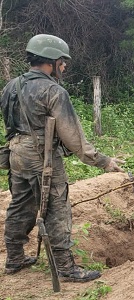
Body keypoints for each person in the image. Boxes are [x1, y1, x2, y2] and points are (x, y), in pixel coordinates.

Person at [0, 34, 124, 282]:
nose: (65, 66)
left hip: (15, 155)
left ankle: (14, 258)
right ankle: (66, 268)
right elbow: (74, 139)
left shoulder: (10, 86)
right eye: (62, 61)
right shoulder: (53, 91)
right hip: (41, 157)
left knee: (20, 206)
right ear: (50, 61)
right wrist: (103, 161)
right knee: (57, 208)